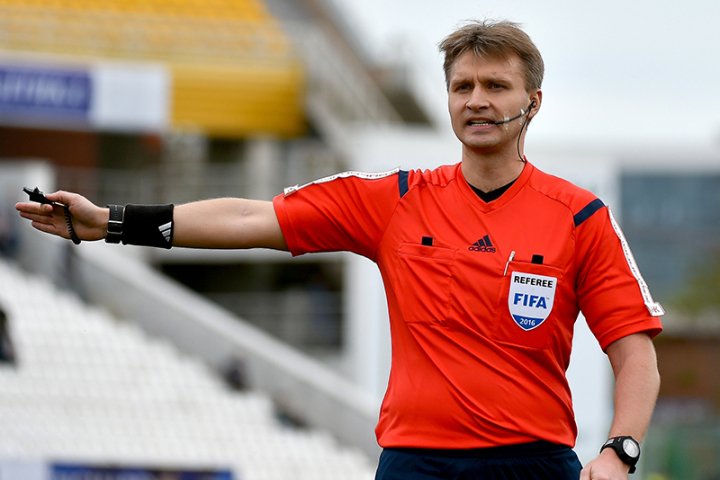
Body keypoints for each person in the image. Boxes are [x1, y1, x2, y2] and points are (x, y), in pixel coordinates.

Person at [16, 19, 663, 480]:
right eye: (462, 86)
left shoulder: (580, 216)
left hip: (534, 463)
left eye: (495, 86)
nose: (476, 100)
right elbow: (250, 217)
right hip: (416, 463)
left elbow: (635, 354)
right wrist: (111, 223)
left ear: (532, 102)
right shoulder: (395, 199)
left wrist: (620, 451)